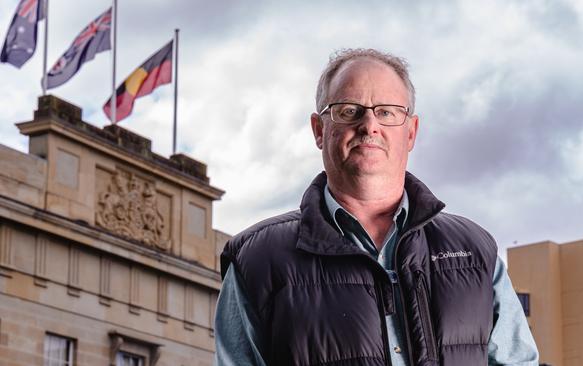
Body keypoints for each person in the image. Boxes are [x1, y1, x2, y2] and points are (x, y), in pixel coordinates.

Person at [214, 48, 539, 366]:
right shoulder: (257, 260)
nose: (369, 125)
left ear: (410, 132)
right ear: (319, 130)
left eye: (386, 112)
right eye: (349, 110)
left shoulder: (475, 251)